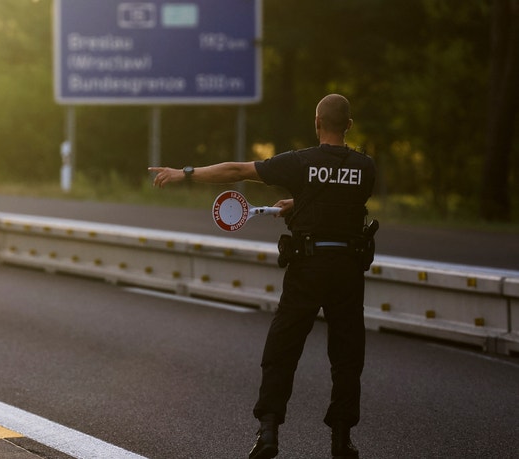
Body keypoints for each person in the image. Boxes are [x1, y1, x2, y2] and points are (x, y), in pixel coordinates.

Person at [149, 94, 375, 459]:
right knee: (347, 356)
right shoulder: (367, 168)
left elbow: (238, 170)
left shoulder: (300, 163)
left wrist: (184, 173)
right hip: (348, 271)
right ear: (348, 125)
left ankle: (268, 432)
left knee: (282, 351)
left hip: (307, 269)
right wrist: (298, 204)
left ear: (317, 122)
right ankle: (341, 439)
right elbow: (340, 204)